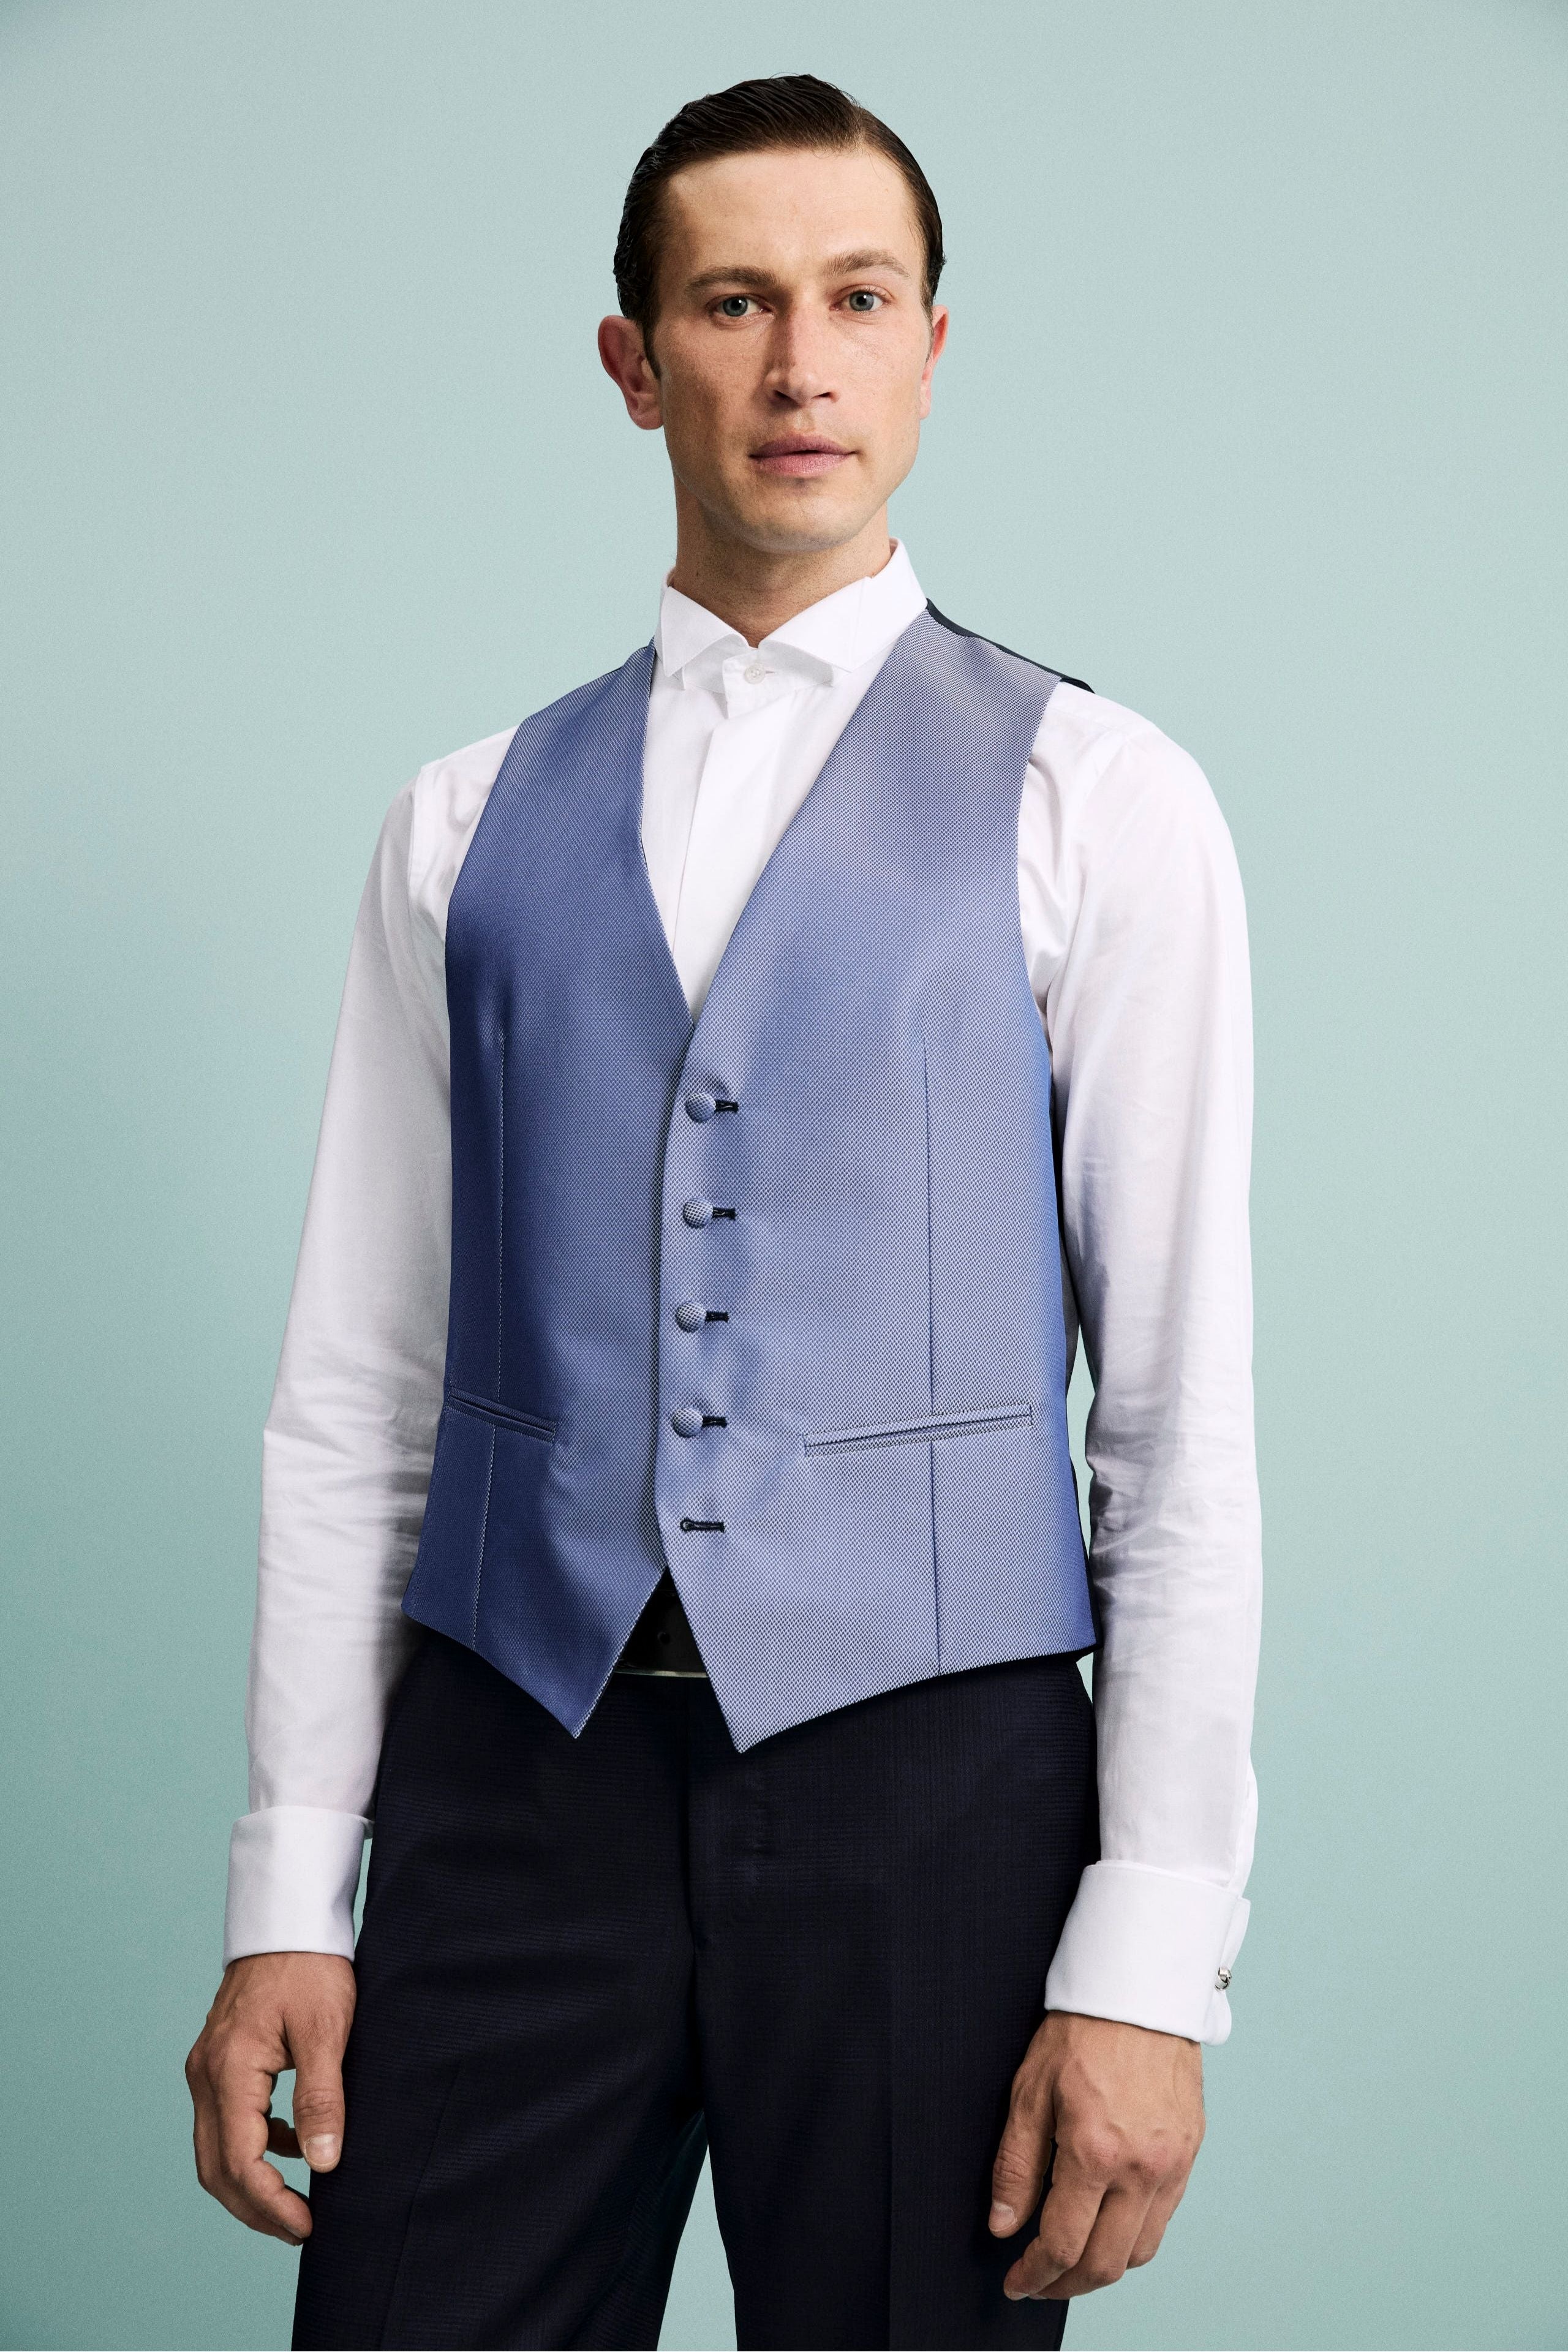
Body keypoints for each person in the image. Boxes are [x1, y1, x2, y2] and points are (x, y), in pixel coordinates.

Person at [186, 72, 1261, 2352]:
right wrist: (290, 1886)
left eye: (859, 301)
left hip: (936, 1785)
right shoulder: (462, 823)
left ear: (932, 350)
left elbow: (1174, 1422)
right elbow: (358, 1397)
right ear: (634, 358)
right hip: (512, 1764)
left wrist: (1155, 1951)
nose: (801, 365)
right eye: (736, 303)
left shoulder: (1101, 799)